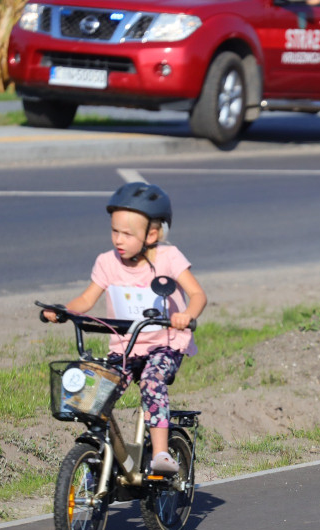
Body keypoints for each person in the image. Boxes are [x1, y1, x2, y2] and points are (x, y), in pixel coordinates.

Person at [44, 182, 207, 474]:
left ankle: (160, 454)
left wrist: (186, 315)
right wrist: (63, 311)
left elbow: (197, 295)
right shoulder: (107, 262)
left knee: (151, 381)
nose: (118, 239)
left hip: (165, 344)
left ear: (152, 234)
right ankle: (111, 455)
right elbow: (86, 298)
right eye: (114, 231)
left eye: (127, 234)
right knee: (94, 388)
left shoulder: (168, 258)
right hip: (125, 348)